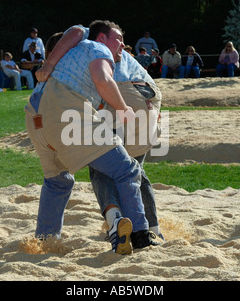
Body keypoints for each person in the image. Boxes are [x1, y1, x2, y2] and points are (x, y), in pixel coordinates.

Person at [25, 20, 158, 255]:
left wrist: (48, 64)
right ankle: (139, 235)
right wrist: (122, 108)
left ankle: (45, 241)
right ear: (102, 38)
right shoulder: (97, 48)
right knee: (127, 170)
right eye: (118, 38)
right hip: (65, 111)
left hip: (35, 116)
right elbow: (103, 79)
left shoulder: (70, 61)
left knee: (58, 181)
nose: (123, 45)